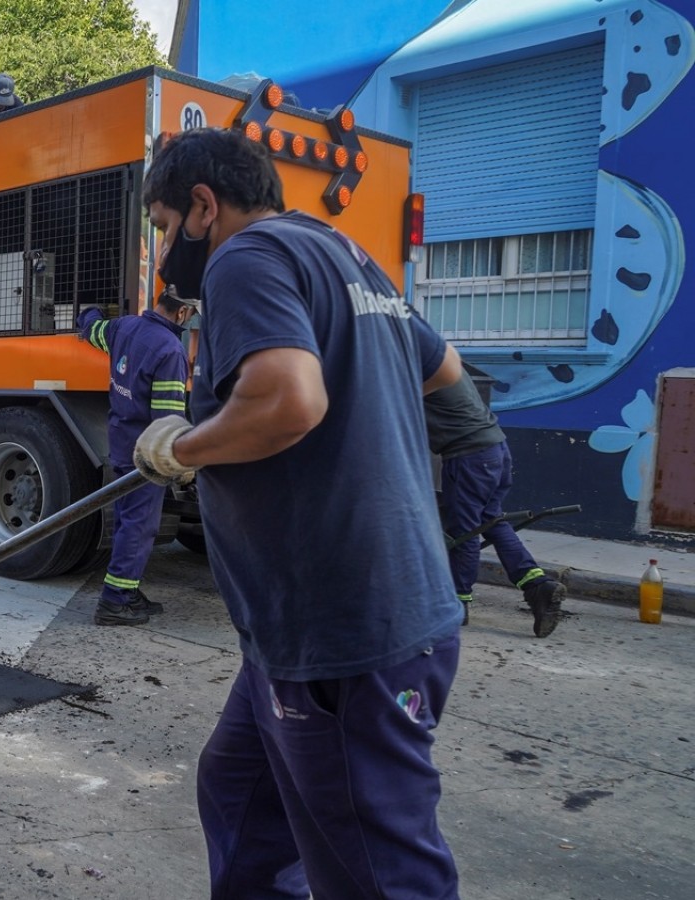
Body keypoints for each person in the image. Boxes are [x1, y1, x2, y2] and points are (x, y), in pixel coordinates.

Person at [131, 128, 465, 899]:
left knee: (379, 871)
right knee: (240, 794)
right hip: (307, 627)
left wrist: (187, 448)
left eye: (160, 226)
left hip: (342, 627)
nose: (160, 250)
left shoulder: (243, 258)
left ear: (203, 207)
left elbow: (289, 397)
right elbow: (444, 372)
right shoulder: (348, 258)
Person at [76, 290, 194, 626]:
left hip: (120, 441)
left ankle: (127, 591)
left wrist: (89, 313)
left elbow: (93, 328)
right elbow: (167, 422)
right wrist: (179, 464)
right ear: (183, 312)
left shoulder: (123, 328)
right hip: (145, 453)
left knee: (127, 519)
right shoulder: (171, 351)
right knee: (140, 526)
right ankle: (114, 602)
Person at [427, 370, 566, 636]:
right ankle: (537, 584)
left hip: (469, 456)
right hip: (496, 450)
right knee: (490, 521)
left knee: (464, 531)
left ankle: (457, 603)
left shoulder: (418, 370)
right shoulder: (446, 364)